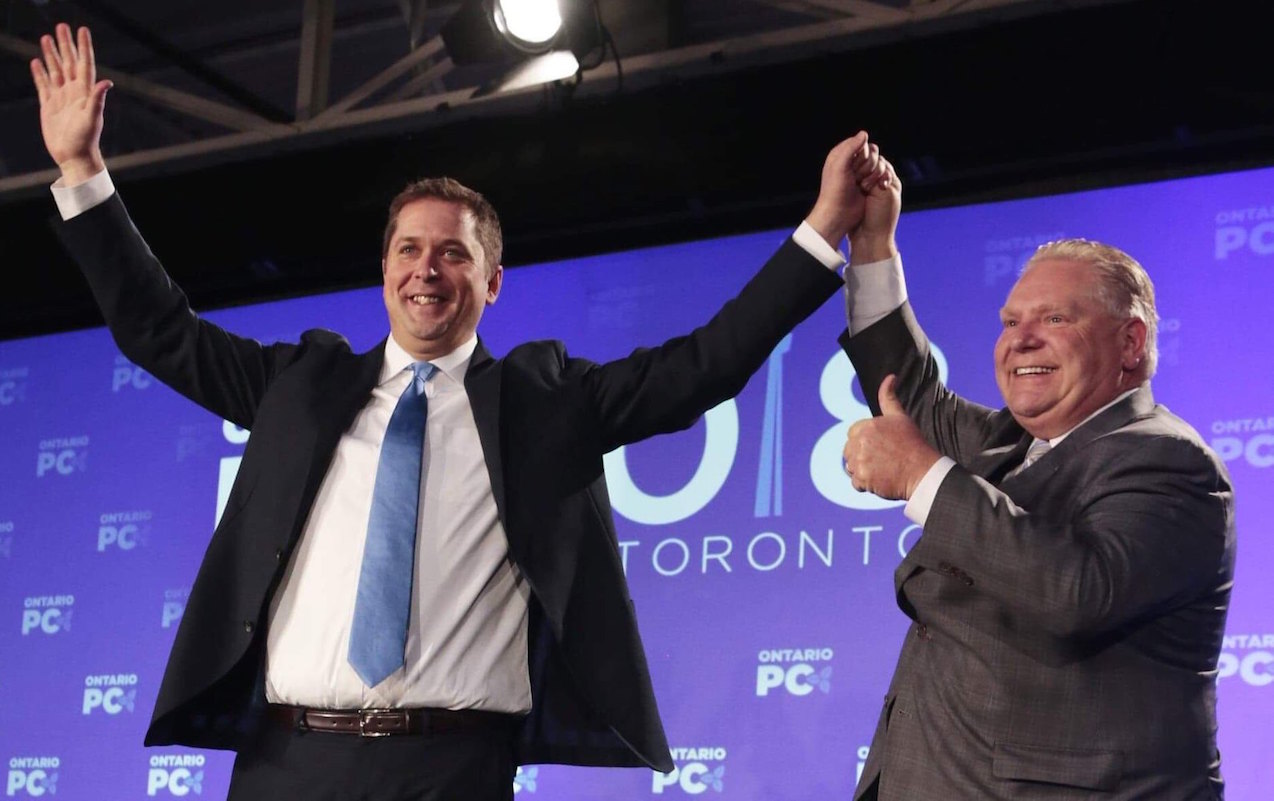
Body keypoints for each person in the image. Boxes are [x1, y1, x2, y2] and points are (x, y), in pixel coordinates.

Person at [31, 23, 889, 801]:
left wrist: (821, 226)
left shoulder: (547, 400)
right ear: (384, 272)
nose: (426, 270)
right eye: (408, 249)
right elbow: (160, 331)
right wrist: (82, 170)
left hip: (455, 768)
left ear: (492, 283)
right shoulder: (301, 384)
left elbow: (707, 362)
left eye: (453, 253)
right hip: (288, 763)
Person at [836, 152, 1235, 798]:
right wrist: (874, 243)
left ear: (1130, 343)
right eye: (1010, 321)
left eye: (1054, 318)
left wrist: (923, 477)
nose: (1020, 340)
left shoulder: (1173, 465)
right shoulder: (1008, 446)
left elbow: (1079, 589)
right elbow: (905, 392)